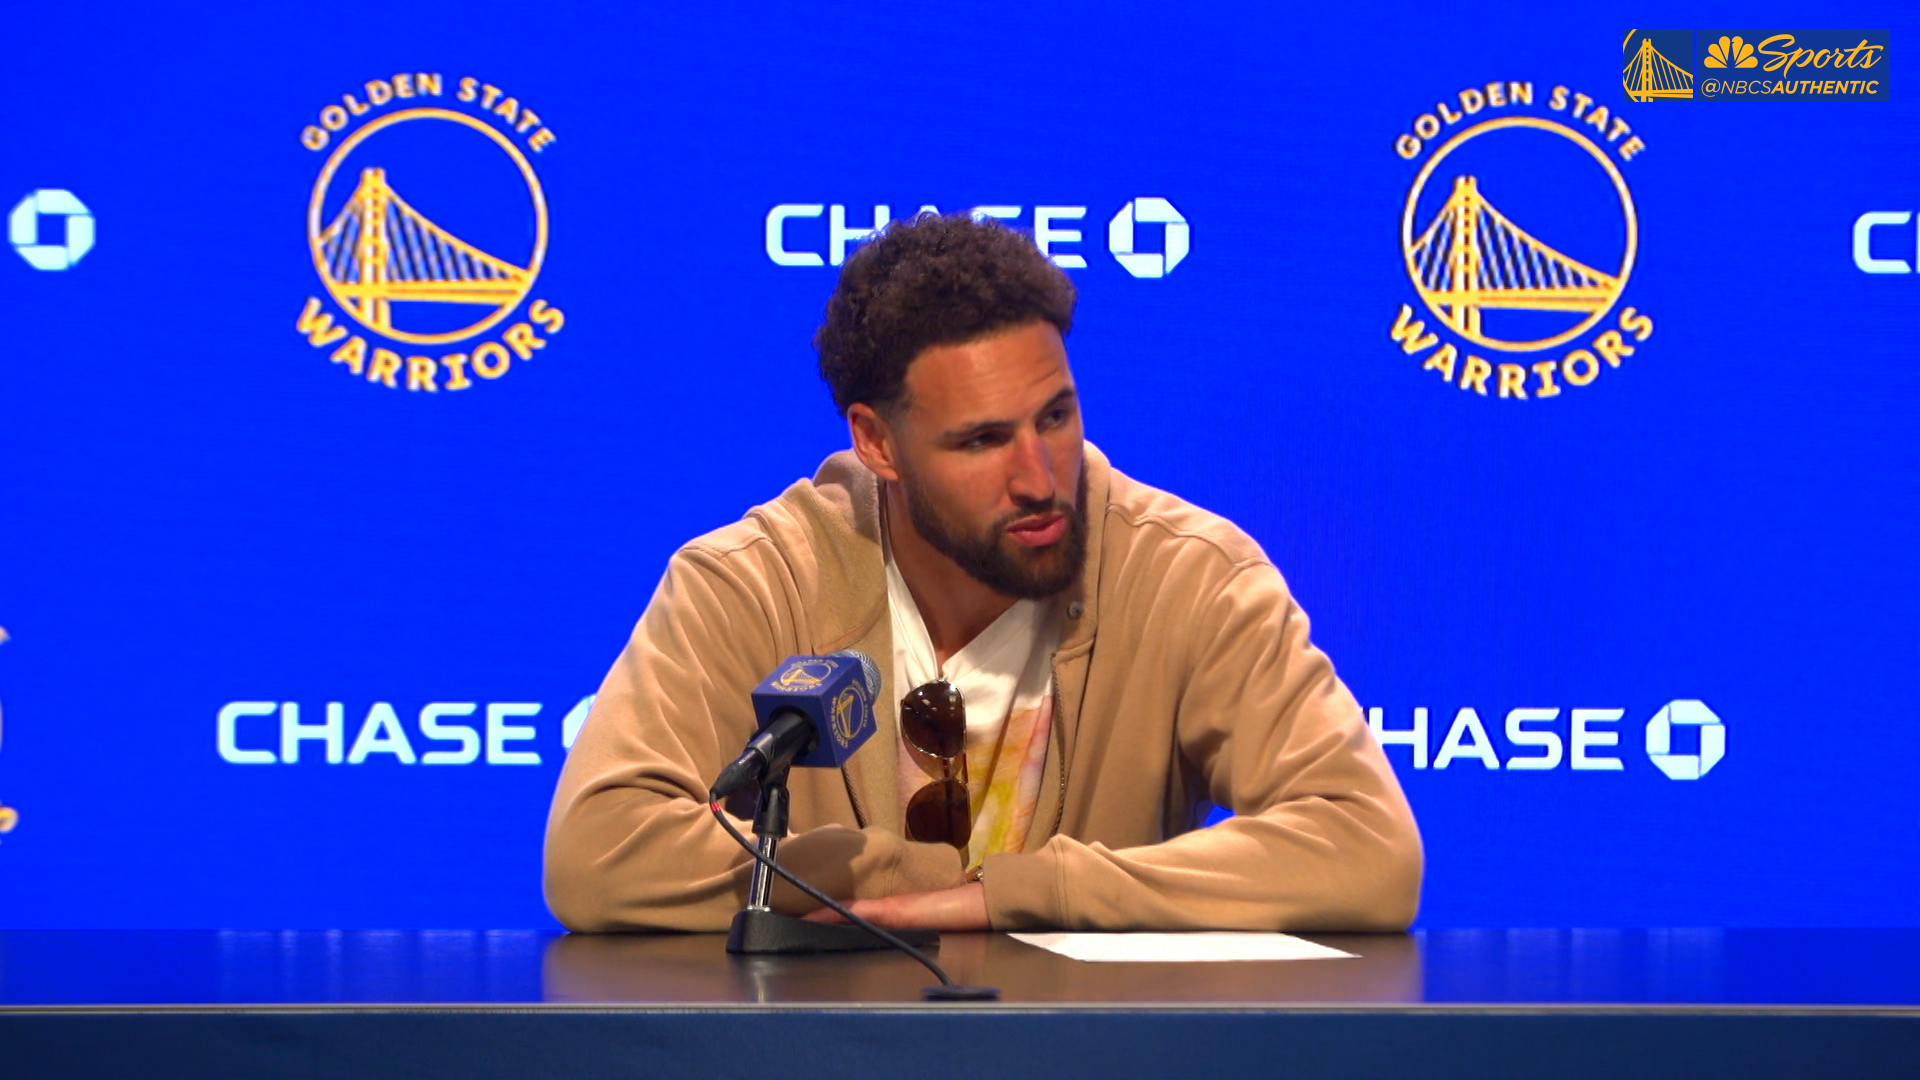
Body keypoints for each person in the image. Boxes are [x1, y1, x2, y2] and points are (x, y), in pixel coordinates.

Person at [544, 213, 1421, 932]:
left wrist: (1013, 894)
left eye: (1057, 416)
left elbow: (1367, 847)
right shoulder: (754, 580)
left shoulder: (1188, 575)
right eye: (981, 440)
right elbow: (597, 854)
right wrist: (890, 880)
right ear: (878, 443)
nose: (1041, 479)